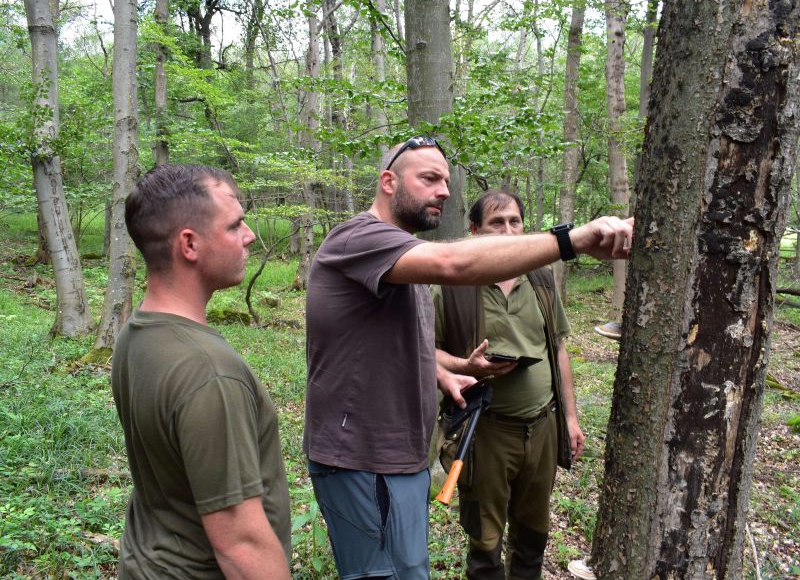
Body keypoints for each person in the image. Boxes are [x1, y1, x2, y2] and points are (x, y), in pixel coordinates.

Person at [303, 136, 633, 579]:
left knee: (410, 571)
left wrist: (450, 370)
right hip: (364, 456)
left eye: (445, 181)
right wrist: (572, 240)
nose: (444, 190)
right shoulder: (359, 237)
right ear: (387, 182)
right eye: (429, 179)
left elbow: (388, 343)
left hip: (402, 457)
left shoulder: (403, 259)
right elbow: (456, 264)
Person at [111, 164, 291, 579]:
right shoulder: (208, 372)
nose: (250, 236)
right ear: (189, 244)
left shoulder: (137, 333)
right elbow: (241, 545)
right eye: (235, 225)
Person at [432, 189, 584, 579]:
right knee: (485, 545)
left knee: (533, 537)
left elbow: (558, 349)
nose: (508, 230)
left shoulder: (540, 278)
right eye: (496, 223)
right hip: (486, 431)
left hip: (543, 426)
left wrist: (570, 417)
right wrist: (466, 365)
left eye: (514, 221)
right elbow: (423, 353)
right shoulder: (452, 286)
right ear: (474, 231)